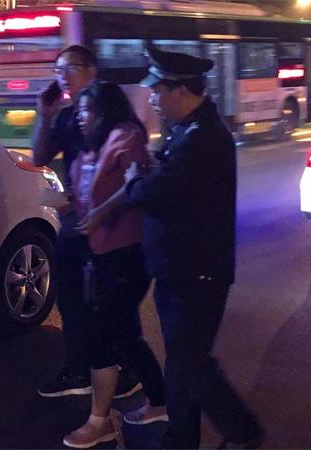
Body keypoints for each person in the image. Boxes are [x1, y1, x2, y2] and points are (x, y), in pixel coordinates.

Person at [79, 47, 264, 449]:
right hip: (178, 268)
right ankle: (180, 438)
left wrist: (135, 179)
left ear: (181, 90)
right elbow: (158, 181)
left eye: (158, 90)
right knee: (181, 364)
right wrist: (141, 179)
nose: (151, 98)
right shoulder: (187, 131)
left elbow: (156, 190)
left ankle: (243, 433)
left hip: (196, 272)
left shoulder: (204, 138)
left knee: (190, 363)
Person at [33, 45, 141, 399]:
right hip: (76, 222)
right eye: (57, 70)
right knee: (70, 297)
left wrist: (102, 210)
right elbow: (40, 156)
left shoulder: (114, 114)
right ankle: (79, 369)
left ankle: (130, 370)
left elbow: (136, 178)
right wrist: (45, 115)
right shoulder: (68, 116)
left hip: (112, 227)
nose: (62, 77)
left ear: (91, 69)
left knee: (113, 303)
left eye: (70, 68)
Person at [62, 82, 166, 449]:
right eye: (79, 110)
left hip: (128, 253)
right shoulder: (90, 146)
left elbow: (139, 181)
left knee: (103, 334)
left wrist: (102, 212)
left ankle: (100, 421)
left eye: (86, 110)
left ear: (105, 111)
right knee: (123, 334)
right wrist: (70, 202)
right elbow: (87, 194)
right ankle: (160, 401)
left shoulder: (125, 137)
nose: (80, 116)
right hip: (101, 253)